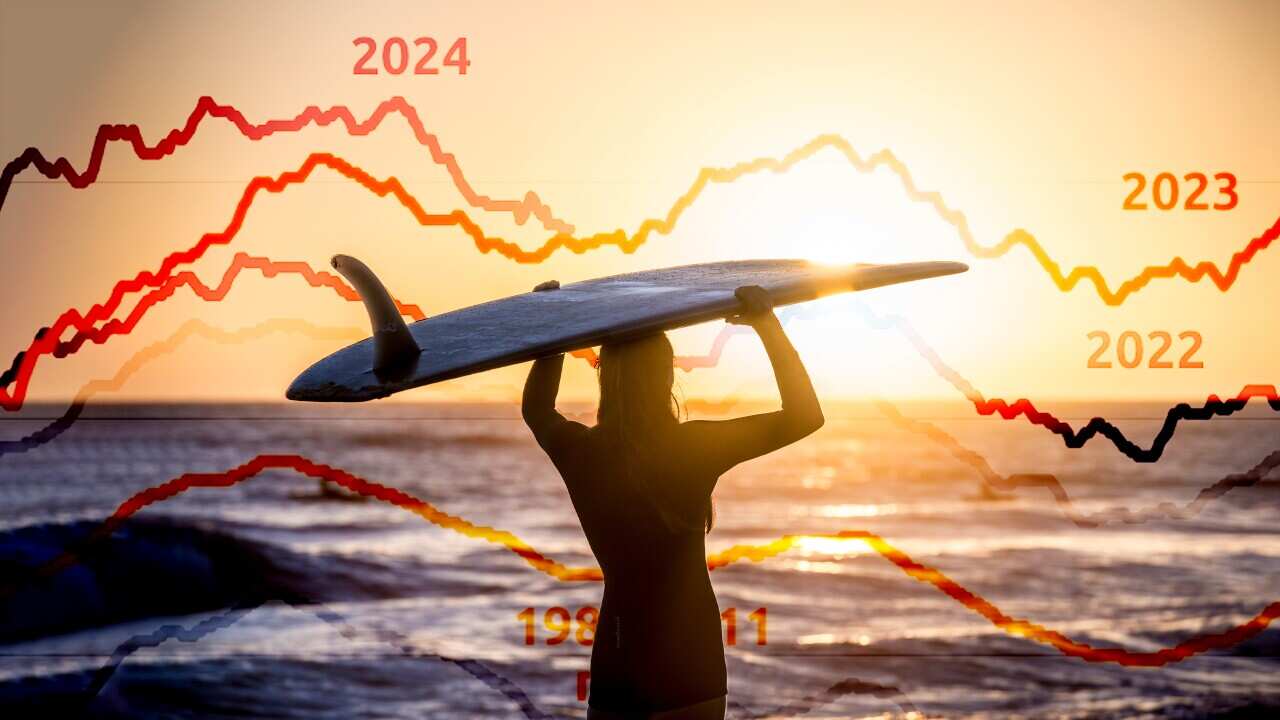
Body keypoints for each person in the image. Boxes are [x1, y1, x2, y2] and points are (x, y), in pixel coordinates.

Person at [522, 284, 824, 719]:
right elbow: (804, 415)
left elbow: (537, 410)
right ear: (667, 374)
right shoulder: (693, 447)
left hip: (620, 652)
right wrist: (766, 325)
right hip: (691, 655)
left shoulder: (581, 452)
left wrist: (552, 331)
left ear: (606, 376)